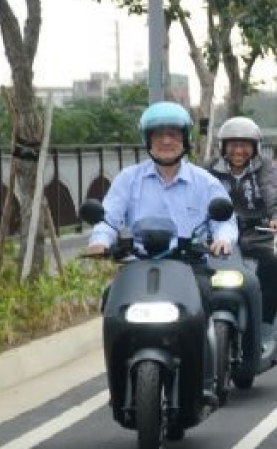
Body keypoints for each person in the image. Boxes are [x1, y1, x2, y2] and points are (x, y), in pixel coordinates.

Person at [86, 101, 237, 408]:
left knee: (202, 305)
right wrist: (100, 240)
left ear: (185, 139)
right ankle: (118, 381)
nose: (166, 141)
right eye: (158, 135)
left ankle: (205, 379)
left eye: (173, 134)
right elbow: (108, 218)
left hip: (188, 266)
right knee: (111, 306)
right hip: (138, 265)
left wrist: (222, 241)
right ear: (147, 140)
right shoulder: (128, 180)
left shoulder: (205, 182)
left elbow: (224, 220)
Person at [205, 116, 277, 360]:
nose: (238, 150)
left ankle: (263, 328)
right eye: (232, 144)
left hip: (255, 237)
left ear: (255, 147)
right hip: (215, 240)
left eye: (245, 145)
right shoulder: (209, 169)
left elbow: (272, 194)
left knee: (274, 267)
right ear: (223, 147)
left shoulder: (265, 167)